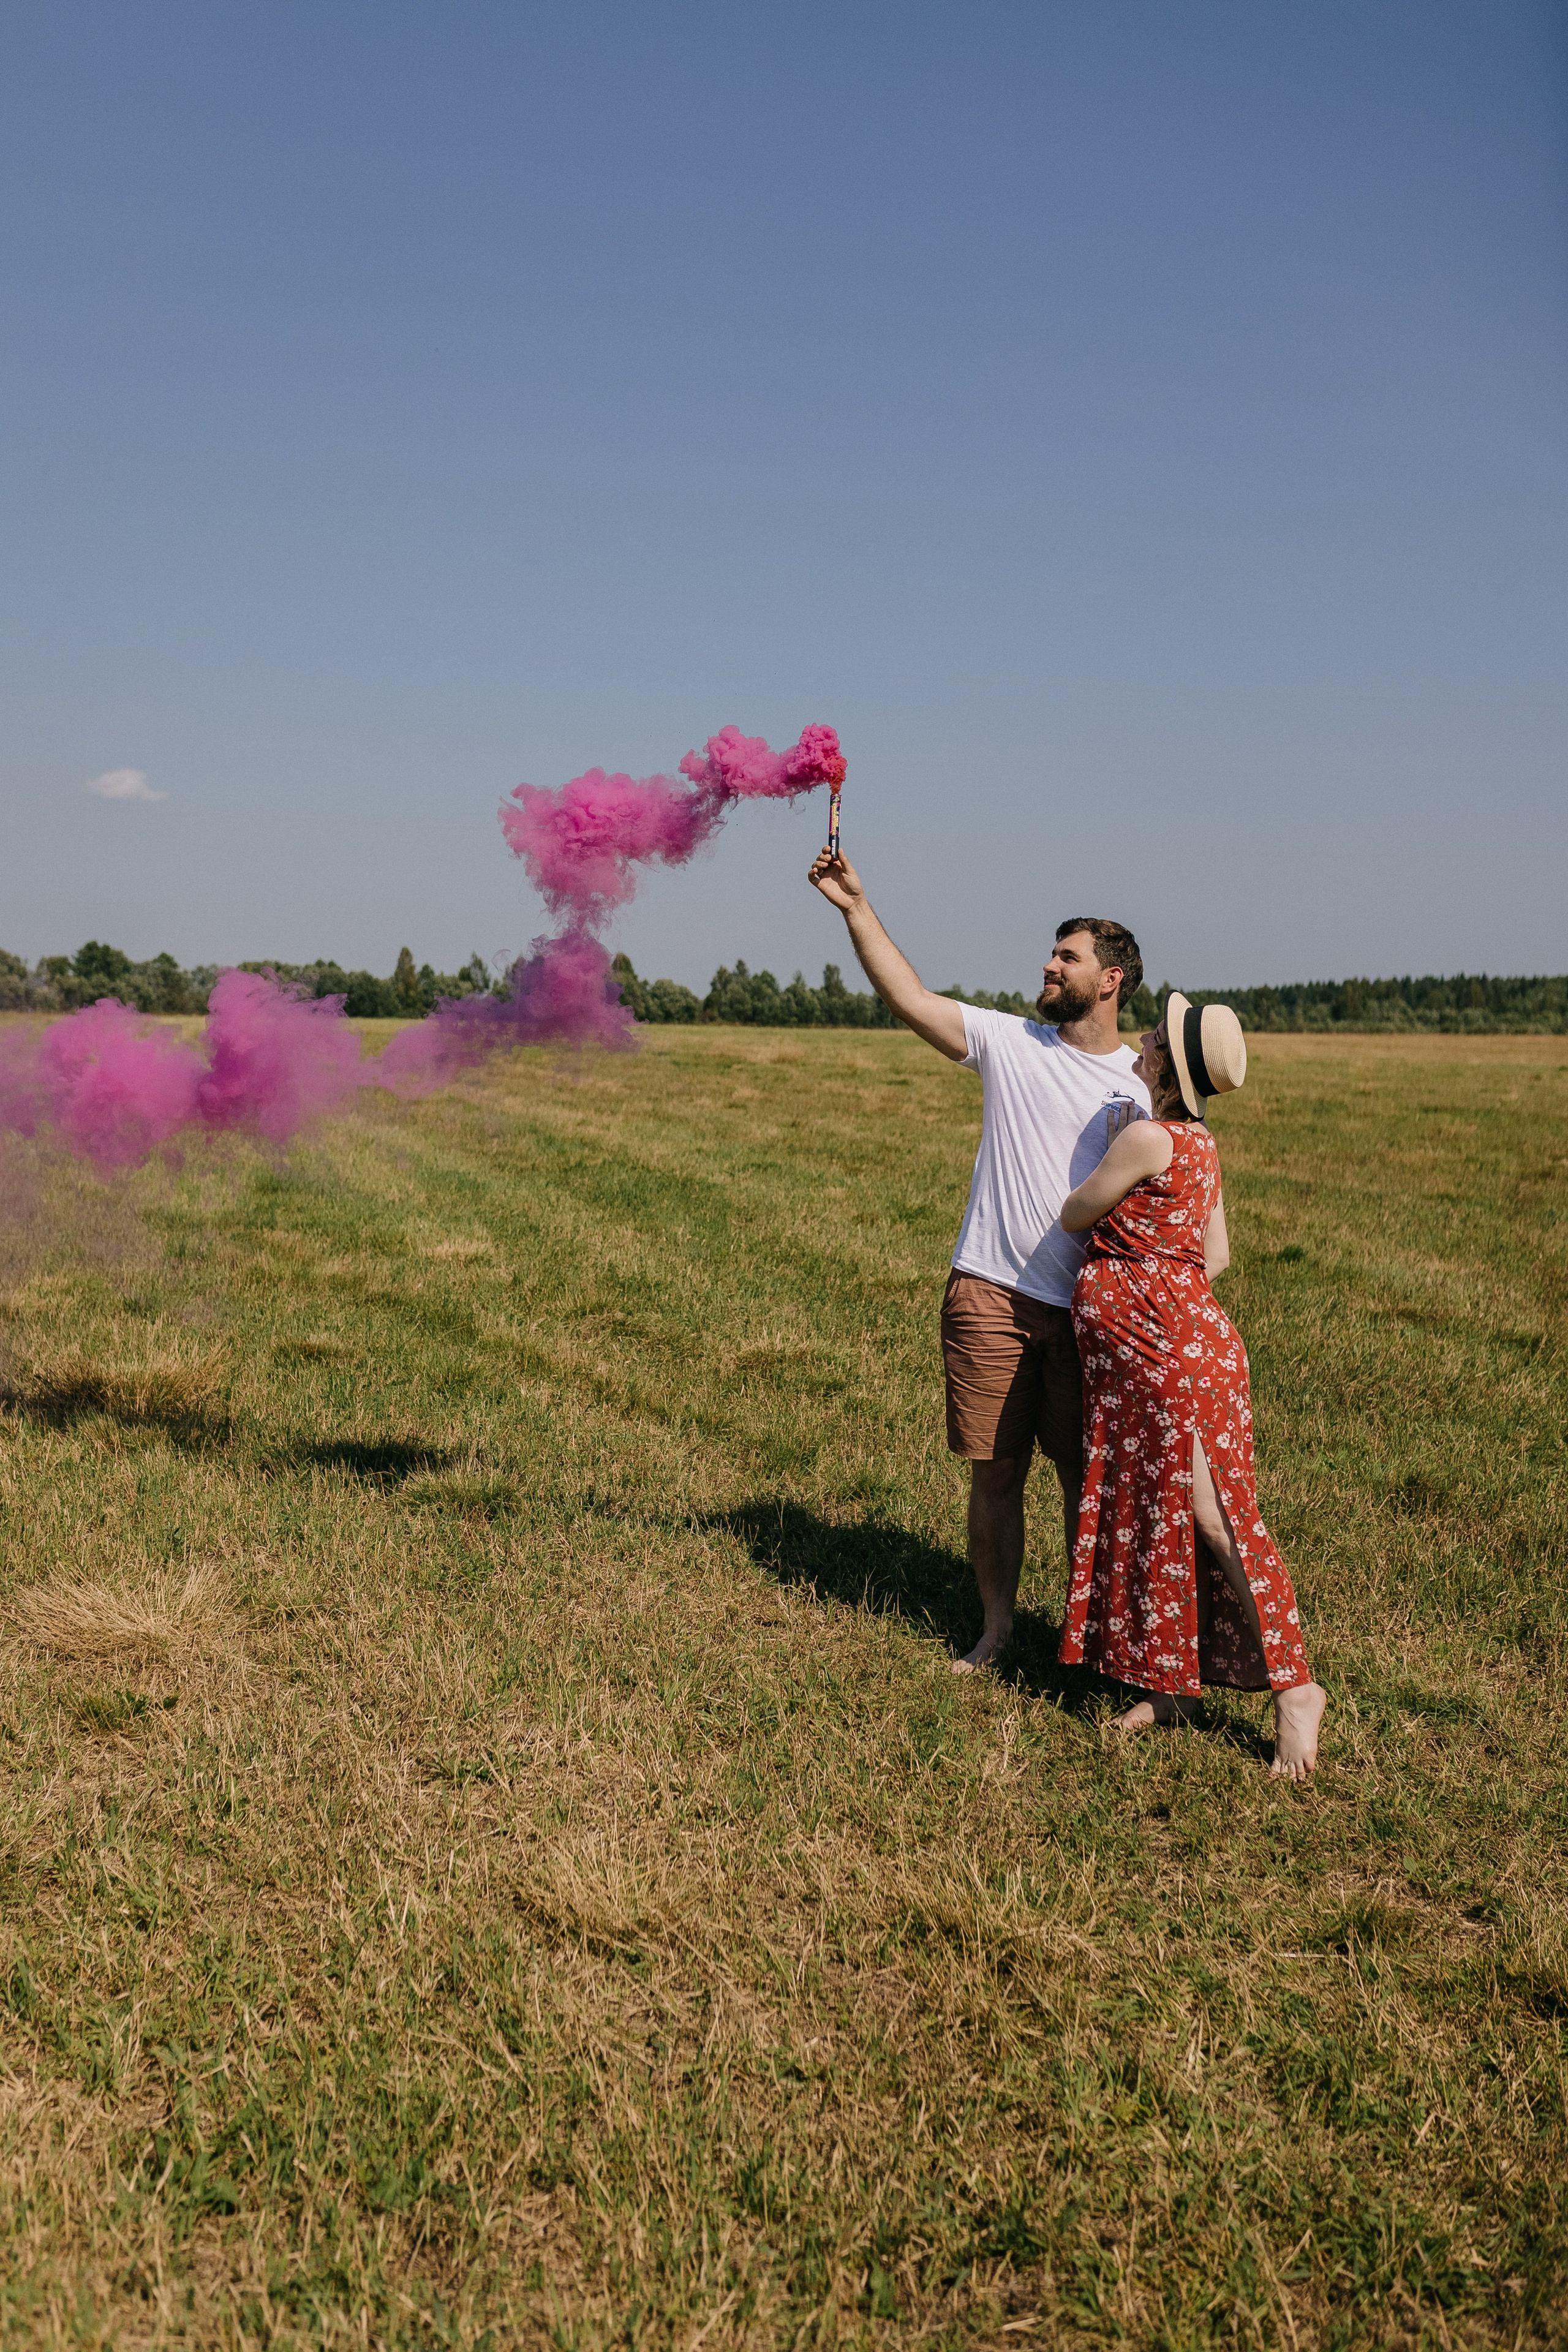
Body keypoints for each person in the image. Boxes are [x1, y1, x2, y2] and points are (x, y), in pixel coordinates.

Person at [809, 844, 1150, 1670]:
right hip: (991, 1296)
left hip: (1090, 1310)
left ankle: (1087, 1642)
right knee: (994, 1475)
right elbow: (910, 999)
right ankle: (997, 1630)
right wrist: (857, 907)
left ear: (1110, 979)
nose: (1048, 963)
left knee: (1084, 1485)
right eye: (1053, 950)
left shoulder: (1147, 1083)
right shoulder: (1011, 1042)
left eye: (1067, 955)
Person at [1056, 995, 1327, 1778]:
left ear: (1168, 1068)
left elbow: (1077, 1213)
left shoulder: (1144, 1135)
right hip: (1165, 1348)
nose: (1140, 1039)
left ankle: (1296, 1687)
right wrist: (1156, 1280)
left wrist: (1134, 1280)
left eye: (1152, 1038)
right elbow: (1215, 1257)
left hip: (1167, 1354)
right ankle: (1170, 1685)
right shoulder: (1199, 1144)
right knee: (1158, 1512)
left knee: (1214, 1517)